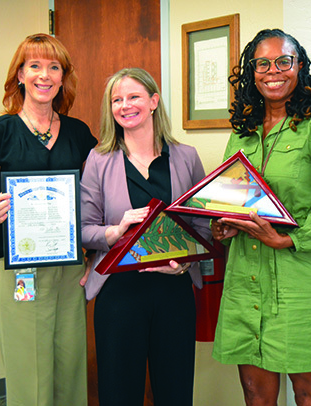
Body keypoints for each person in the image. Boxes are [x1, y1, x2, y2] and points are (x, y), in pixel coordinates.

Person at [211, 29, 311, 406]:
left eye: (284, 61)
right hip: (246, 280)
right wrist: (222, 223)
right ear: (251, 72)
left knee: (309, 395)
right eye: (263, 63)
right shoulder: (242, 134)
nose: (274, 71)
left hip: (303, 283)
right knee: (256, 395)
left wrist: (289, 237)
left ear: (299, 67)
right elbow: (229, 196)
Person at [0, 33, 97, 405]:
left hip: (71, 266)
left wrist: (93, 254)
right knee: (28, 364)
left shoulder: (78, 133)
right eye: (35, 66)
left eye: (54, 67)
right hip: (20, 266)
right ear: (20, 75)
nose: (45, 75)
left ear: (63, 77)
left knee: (71, 358)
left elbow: (90, 199)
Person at [80, 67, 209, 406]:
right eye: (116, 100)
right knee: (119, 393)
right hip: (120, 296)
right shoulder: (99, 160)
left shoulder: (186, 157)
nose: (125, 105)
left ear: (153, 101)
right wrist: (115, 231)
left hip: (174, 292)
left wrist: (182, 263)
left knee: (175, 390)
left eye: (134, 96)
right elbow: (83, 228)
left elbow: (204, 227)